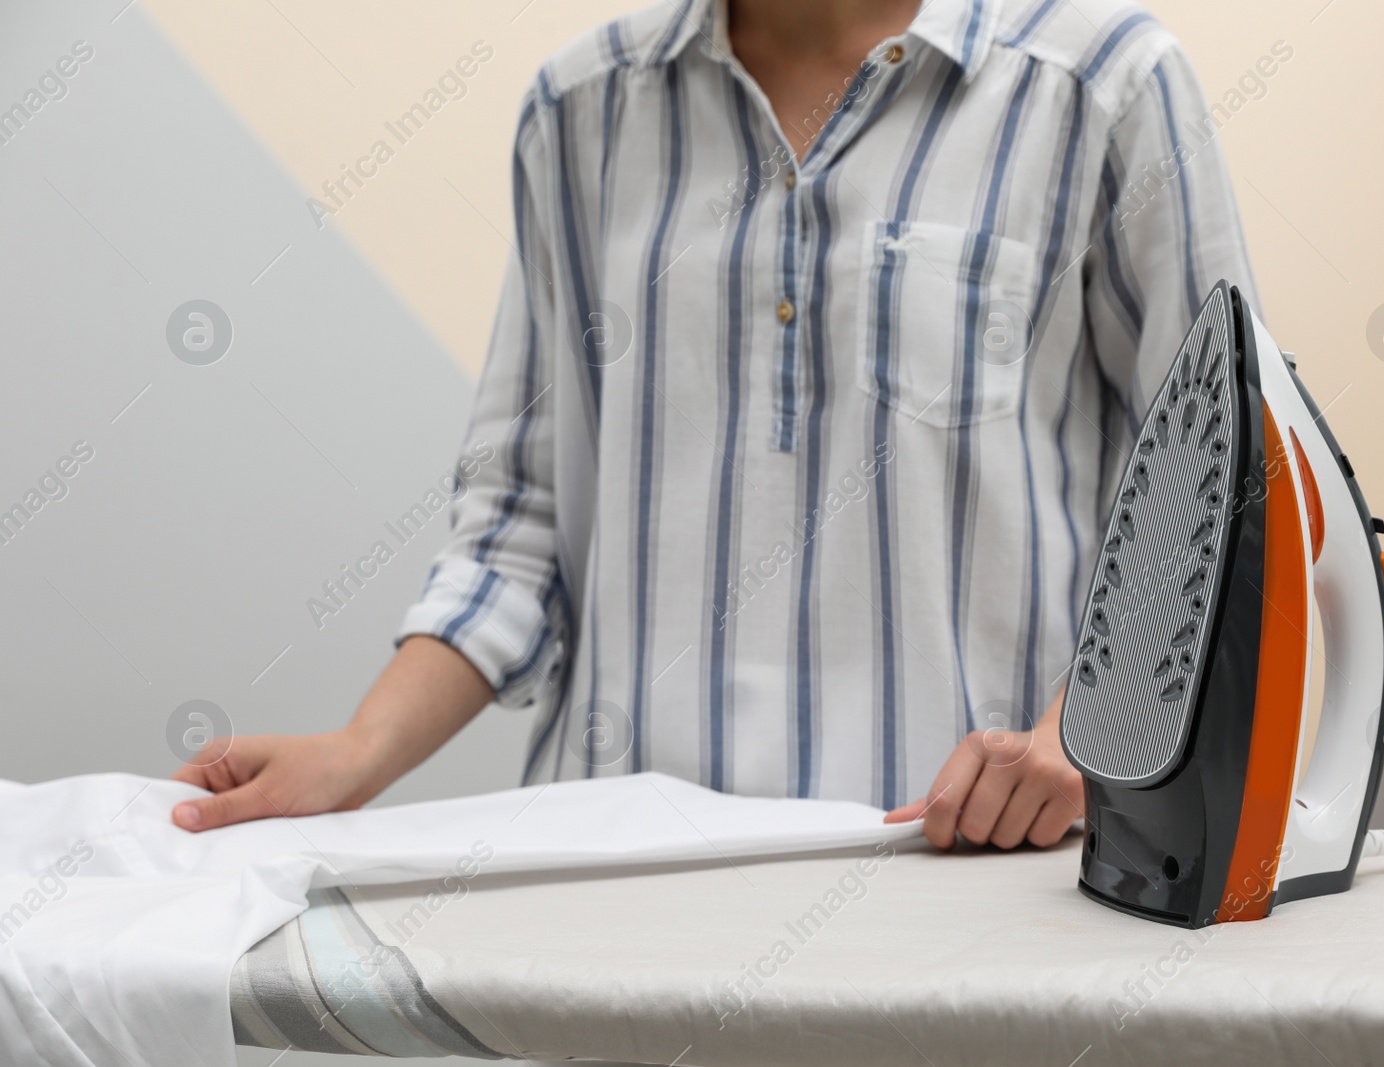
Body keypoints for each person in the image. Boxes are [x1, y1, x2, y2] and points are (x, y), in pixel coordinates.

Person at [172, 0, 1257, 850]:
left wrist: (1090, 741)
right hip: (611, 889)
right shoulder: (581, 110)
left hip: (960, 880)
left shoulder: (1102, 87)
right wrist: (356, 752)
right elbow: (520, 522)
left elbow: (1225, 493)